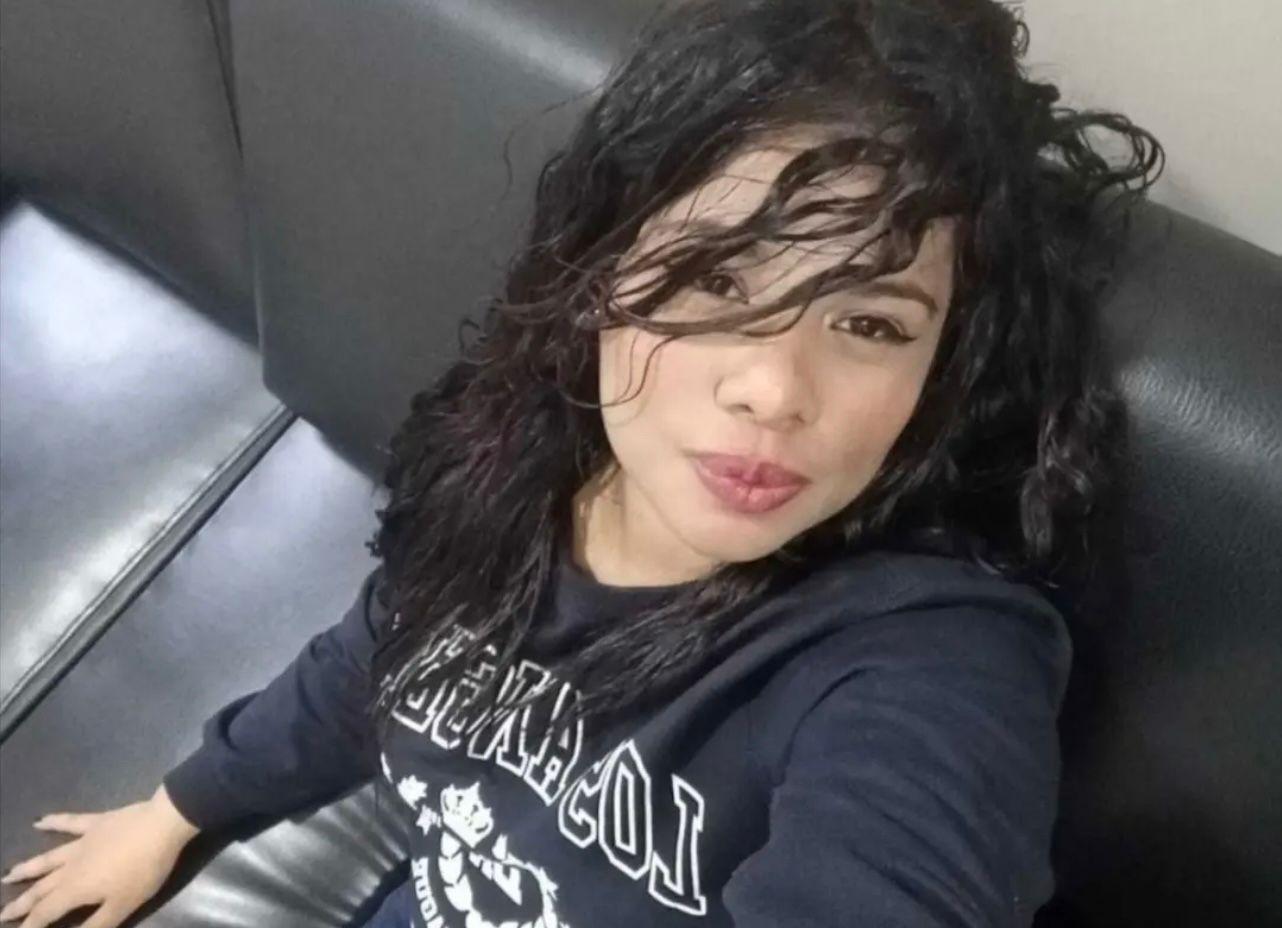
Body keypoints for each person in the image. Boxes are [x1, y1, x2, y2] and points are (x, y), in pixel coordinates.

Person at [0, 0, 1163, 926]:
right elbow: (375, 657)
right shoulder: (506, 463)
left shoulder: (930, 660)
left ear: (940, 367)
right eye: (715, 278)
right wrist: (176, 809)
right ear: (600, 274)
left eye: (869, 322)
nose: (774, 389)